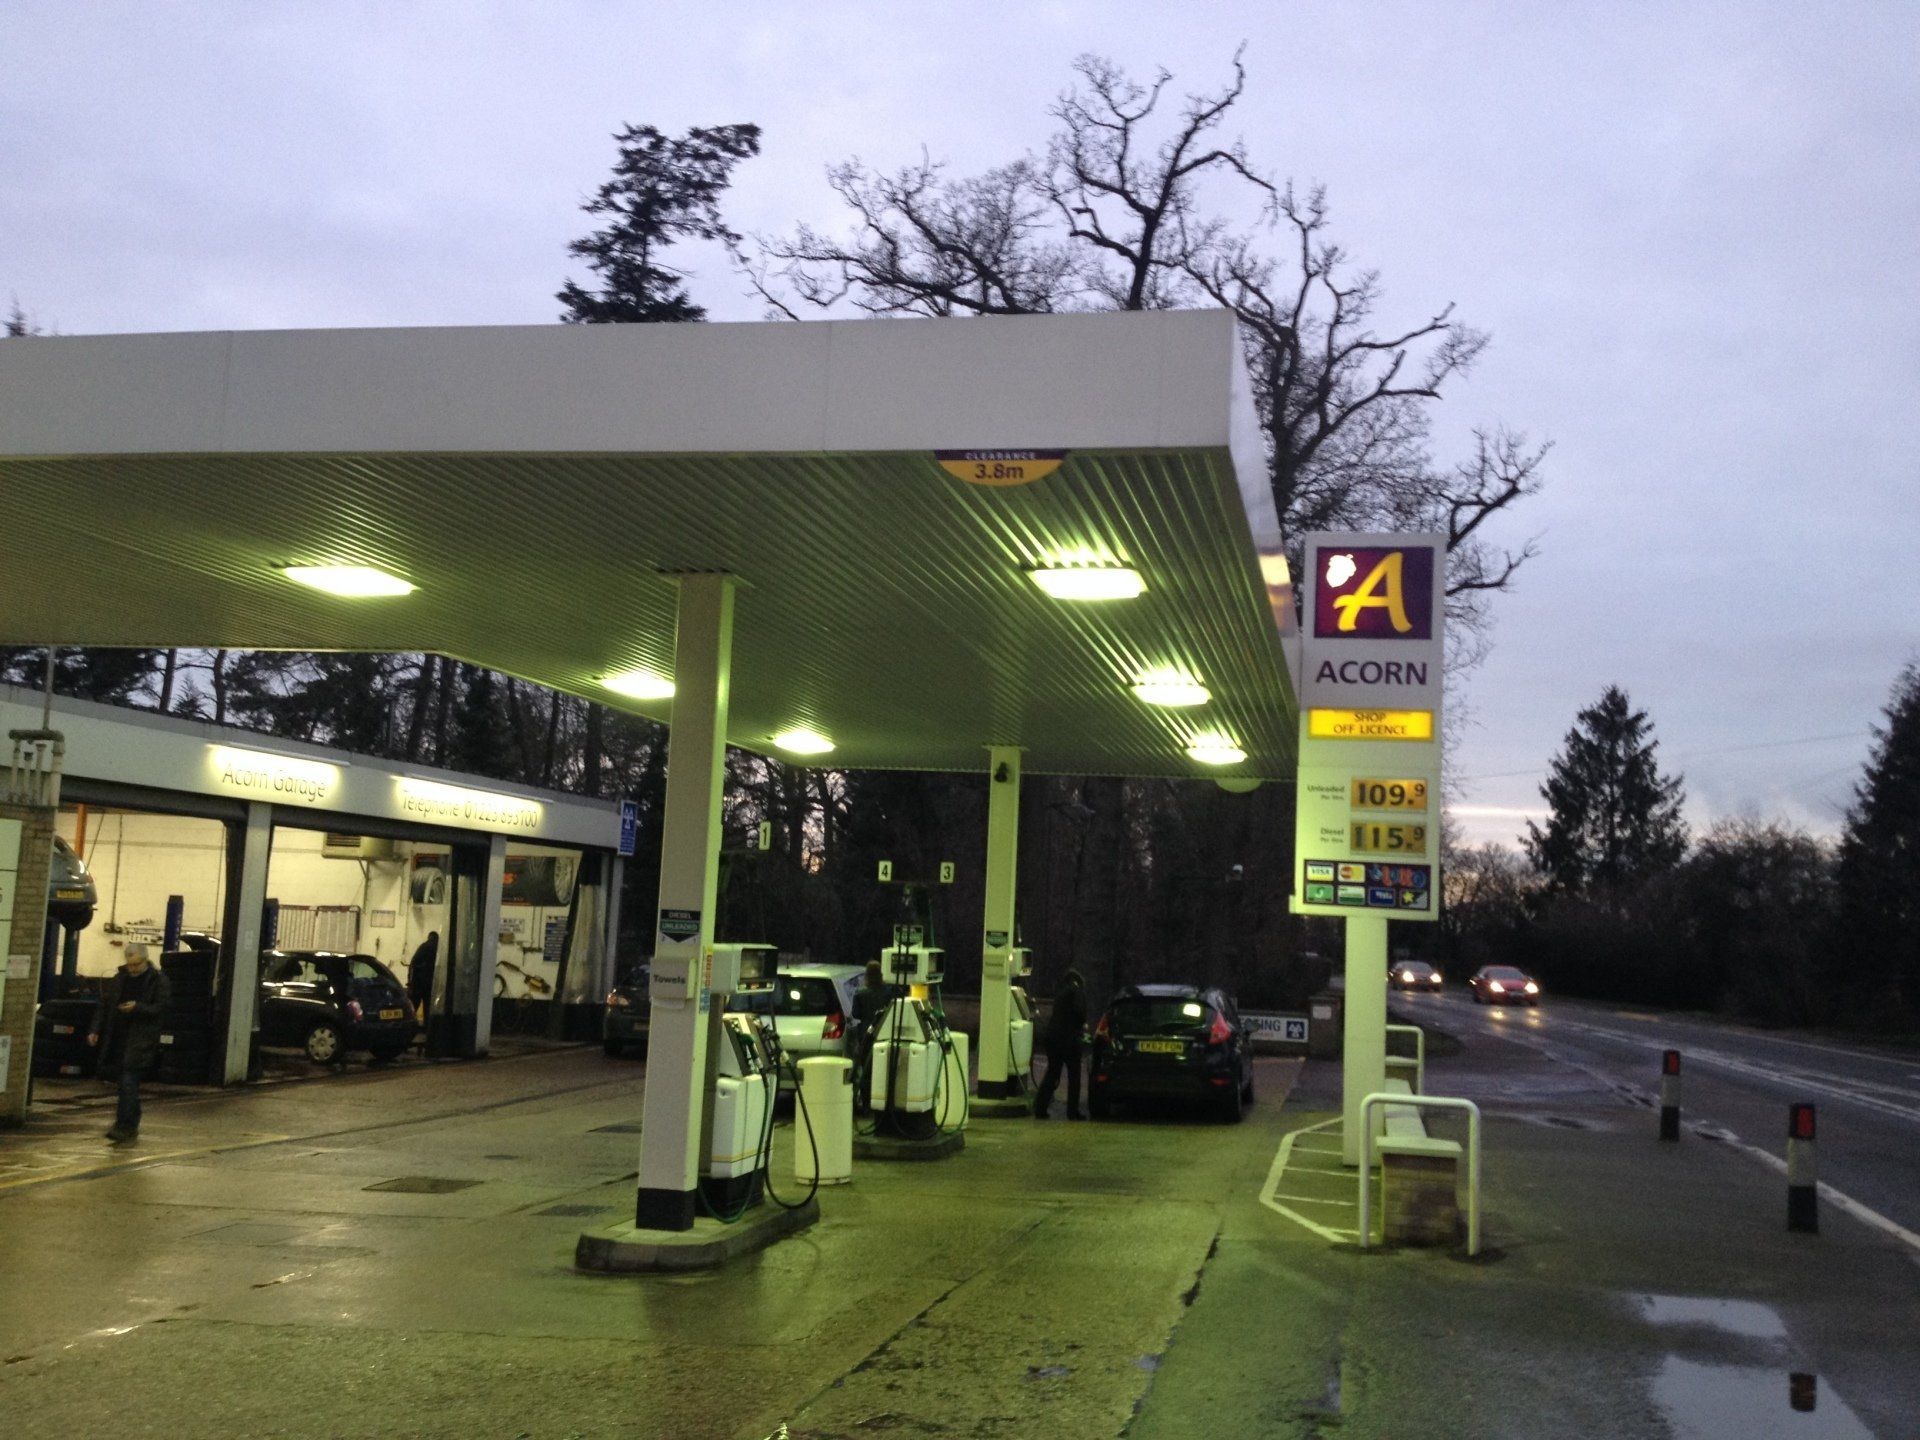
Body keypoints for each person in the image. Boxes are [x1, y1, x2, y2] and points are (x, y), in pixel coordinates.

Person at [88, 942, 172, 1144]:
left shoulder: (158, 981)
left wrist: (137, 1007)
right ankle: (129, 1122)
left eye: (137, 964)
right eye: (130, 964)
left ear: (146, 960)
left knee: (128, 1082)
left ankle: (124, 1126)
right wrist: (94, 1029)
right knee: (125, 1084)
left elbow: (161, 1008)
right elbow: (105, 1005)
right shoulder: (119, 979)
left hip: (141, 1040)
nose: (133, 969)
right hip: (117, 1038)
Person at [1033, 968, 1089, 1120]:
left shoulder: (1061, 992)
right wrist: (1082, 1025)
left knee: (1052, 1073)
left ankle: (1040, 1108)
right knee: (1074, 1075)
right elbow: (1079, 1012)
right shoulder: (1076, 991)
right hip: (1069, 1038)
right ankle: (1072, 1111)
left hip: (1052, 1037)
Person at [850, 959, 889, 1112]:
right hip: (883, 1034)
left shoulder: (860, 993)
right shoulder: (887, 992)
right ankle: (880, 1103)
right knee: (881, 1070)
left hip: (865, 1035)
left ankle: (866, 1104)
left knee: (866, 1071)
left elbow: (855, 1014)